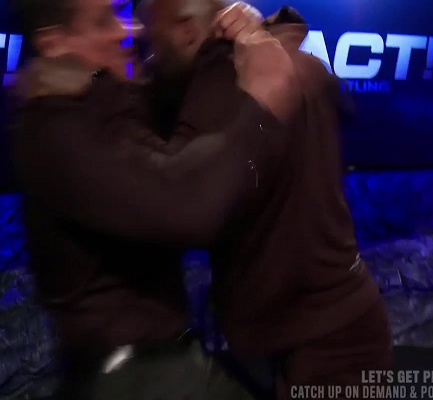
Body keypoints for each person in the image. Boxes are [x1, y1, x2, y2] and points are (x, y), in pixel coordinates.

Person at [10, 0, 298, 398]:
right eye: (104, 22)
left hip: (161, 363)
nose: (127, 31)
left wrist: (236, 38)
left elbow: (184, 134)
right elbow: (185, 206)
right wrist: (262, 107)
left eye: (121, 15)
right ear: (55, 43)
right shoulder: (56, 133)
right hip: (134, 377)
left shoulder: (103, 104)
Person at [137, 1, 393, 398]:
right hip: (335, 323)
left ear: (187, 31)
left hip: (325, 339)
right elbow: (345, 109)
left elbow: (181, 210)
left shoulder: (214, 96)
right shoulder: (297, 62)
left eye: (150, 35)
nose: (146, 52)